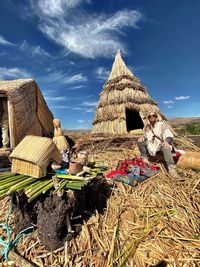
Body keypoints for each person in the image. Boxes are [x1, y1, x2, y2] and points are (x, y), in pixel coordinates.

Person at [137, 110, 179, 178]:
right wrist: (142, 138)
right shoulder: (147, 127)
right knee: (140, 142)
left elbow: (168, 135)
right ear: (148, 118)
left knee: (166, 147)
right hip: (152, 147)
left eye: (153, 115)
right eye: (149, 116)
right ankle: (145, 159)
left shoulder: (161, 125)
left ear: (156, 117)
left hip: (160, 146)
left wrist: (166, 141)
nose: (151, 117)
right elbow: (145, 136)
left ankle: (171, 169)